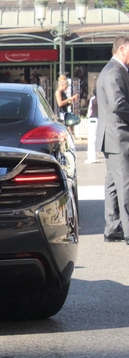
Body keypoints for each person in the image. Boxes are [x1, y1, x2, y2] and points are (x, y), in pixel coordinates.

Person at [95, 35, 129, 245]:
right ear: (123, 49)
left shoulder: (114, 70)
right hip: (119, 136)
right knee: (125, 183)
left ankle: (113, 227)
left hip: (114, 136)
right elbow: (118, 104)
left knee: (114, 184)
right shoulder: (114, 72)